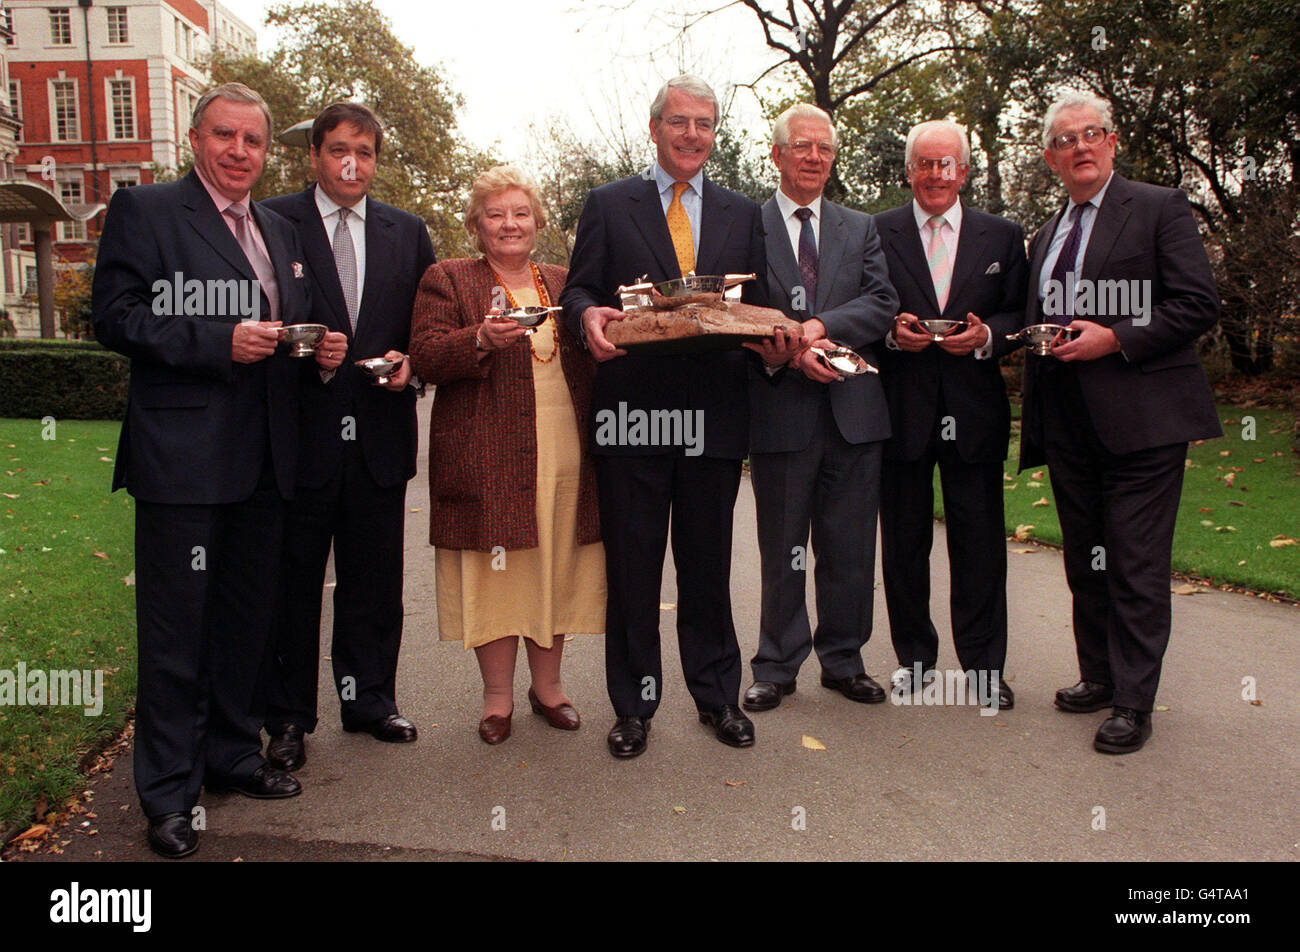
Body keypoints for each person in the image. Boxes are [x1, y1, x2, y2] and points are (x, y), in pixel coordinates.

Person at [92, 83, 342, 858]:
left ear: (268, 152)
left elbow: (284, 326)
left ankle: (231, 755)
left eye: (253, 141)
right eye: (225, 136)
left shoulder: (277, 226)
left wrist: (319, 348)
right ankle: (168, 793)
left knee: (245, 623)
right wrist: (215, 339)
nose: (239, 152)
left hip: (268, 459)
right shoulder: (147, 211)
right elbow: (115, 316)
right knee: (177, 634)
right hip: (184, 463)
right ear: (197, 139)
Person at [561, 74, 787, 759]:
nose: (694, 135)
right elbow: (579, 290)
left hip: (713, 417)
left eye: (706, 125)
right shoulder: (609, 203)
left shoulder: (742, 213)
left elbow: (761, 304)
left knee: (707, 567)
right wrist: (585, 316)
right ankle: (634, 708)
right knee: (633, 571)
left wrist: (776, 347)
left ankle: (717, 697)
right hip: (631, 415)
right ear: (655, 128)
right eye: (681, 122)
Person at [1022, 91, 1221, 753]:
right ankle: (1100, 677)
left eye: (1091, 134)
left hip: (1145, 420)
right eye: (1066, 139)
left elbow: (1196, 303)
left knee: (1135, 562)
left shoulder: (1159, 208)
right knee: (1088, 559)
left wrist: (1118, 338)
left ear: (1111, 143)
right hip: (1069, 421)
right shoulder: (1047, 236)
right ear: (1052, 158)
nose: (1080, 146)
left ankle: (1135, 704)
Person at [260, 103, 436, 770]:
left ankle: (369, 703)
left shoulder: (407, 231)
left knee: (373, 582)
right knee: (294, 584)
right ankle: (287, 718)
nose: (351, 163)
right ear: (314, 155)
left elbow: (425, 330)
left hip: (380, 437)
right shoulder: (275, 222)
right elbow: (260, 318)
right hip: (299, 437)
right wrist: (298, 350)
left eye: (363, 152)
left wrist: (413, 366)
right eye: (338, 150)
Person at [409, 166, 602, 745]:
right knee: (501, 576)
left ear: (538, 222)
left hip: (566, 453)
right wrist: (477, 340)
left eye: (520, 213)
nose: (509, 224)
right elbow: (423, 355)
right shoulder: (449, 279)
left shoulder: (564, 283)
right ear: (477, 225)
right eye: (495, 214)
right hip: (487, 454)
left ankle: (549, 689)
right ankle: (496, 700)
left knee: (555, 567)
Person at [741, 104, 898, 714]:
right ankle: (775, 666)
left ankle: (844, 660)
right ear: (777, 154)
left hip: (855, 411)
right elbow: (737, 312)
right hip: (781, 406)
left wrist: (819, 327)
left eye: (824, 149)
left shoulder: (859, 228)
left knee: (851, 546)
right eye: (801, 146)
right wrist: (784, 352)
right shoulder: (747, 225)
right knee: (784, 546)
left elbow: (881, 301)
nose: (813, 157)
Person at [875, 119, 1028, 711]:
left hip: (974, 413)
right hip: (902, 412)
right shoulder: (878, 231)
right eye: (924, 164)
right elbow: (867, 306)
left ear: (963, 171)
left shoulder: (1002, 235)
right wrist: (891, 333)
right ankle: (915, 663)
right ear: (909, 170)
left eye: (947, 165)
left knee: (980, 544)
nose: (935, 175)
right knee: (905, 545)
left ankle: (986, 669)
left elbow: (1021, 312)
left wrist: (990, 335)